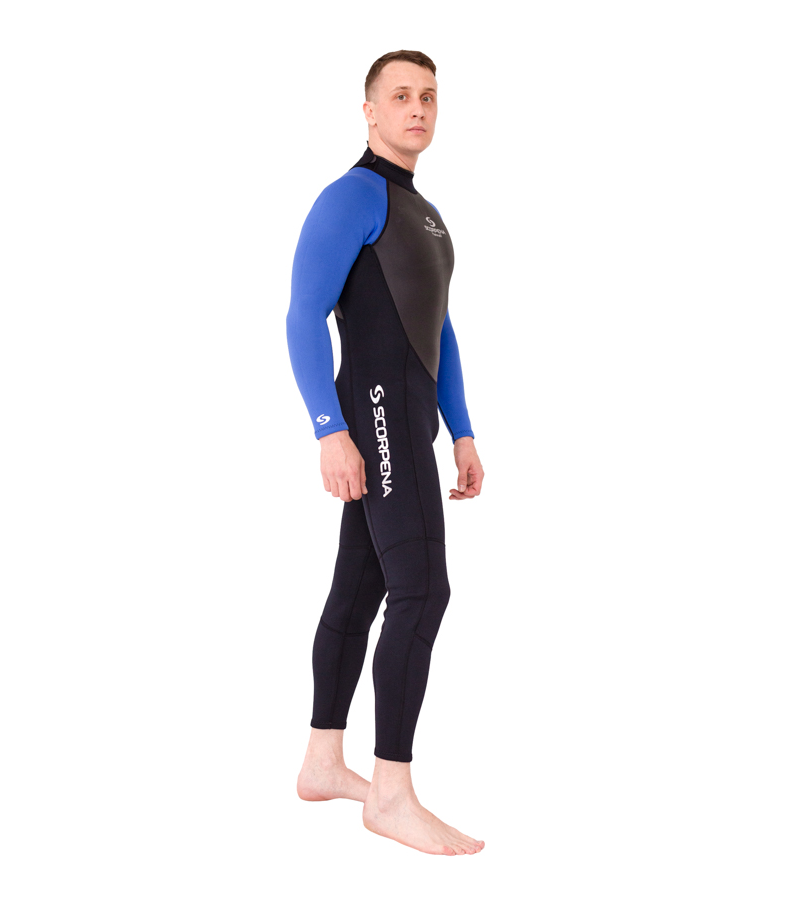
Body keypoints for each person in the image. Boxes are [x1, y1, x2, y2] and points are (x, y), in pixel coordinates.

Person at [285, 50, 485, 856]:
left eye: (428, 95)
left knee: (361, 587)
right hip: (374, 421)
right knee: (422, 590)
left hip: (411, 426)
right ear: (369, 111)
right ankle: (392, 794)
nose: (417, 108)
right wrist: (328, 430)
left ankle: (322, 763)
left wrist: (462, 429)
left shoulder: (425, 213)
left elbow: (439, 330)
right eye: (400, 96)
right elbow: (302, 316)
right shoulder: (350, 198)